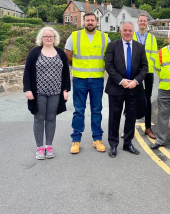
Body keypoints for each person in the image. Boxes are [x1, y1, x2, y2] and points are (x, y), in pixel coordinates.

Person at [65, 12, 109, 154]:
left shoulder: (105, 38)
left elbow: (110, 56)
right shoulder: (75, 36)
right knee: (79, 111)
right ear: (84, 22)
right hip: (79, 79)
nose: (90, 22)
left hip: (97, 79)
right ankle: (76, 140)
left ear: (97, 22)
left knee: (96, 110)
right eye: (88, 20)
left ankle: (97, 139)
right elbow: (67, 53)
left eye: (93, 20)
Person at [23, 27, 71, 160]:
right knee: (39, 119)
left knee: (51, 119)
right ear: (41, 38)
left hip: (55, 92)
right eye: (46, 36)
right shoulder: (35, 53)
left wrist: (65, 90)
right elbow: (27, 72)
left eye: (51, 36)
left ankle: (49, 146)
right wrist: (28, 89)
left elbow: (66, 73)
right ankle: (39, 148)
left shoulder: (60, 53)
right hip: (39, 93)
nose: (49, 38)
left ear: (55, 38)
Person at [105, 21, 148, 157]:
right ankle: (113, 144)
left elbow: (145, 67)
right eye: (125, 30)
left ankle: (128, 143)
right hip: (116, 87)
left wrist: (136, 81)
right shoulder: (112, 46)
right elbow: (109, 65)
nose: (128, 33)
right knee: (114, 117)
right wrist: (121, 81)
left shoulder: (140, 47)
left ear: (133, 32)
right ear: (121, 31)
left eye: (130, 30)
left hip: (133, 88)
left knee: (131, 117)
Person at [121, 13, 158, 139]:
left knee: (147, 99)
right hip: (134, 71)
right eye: (141, 21)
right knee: (130, 98)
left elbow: (154, 56)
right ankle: (127, 128)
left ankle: (148, 127)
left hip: (148, 73)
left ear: (147, 23)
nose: (142, 23)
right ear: (138, 22)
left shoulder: (152, 38)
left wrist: (145, 67)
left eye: (145, 21)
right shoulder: (132, 36)